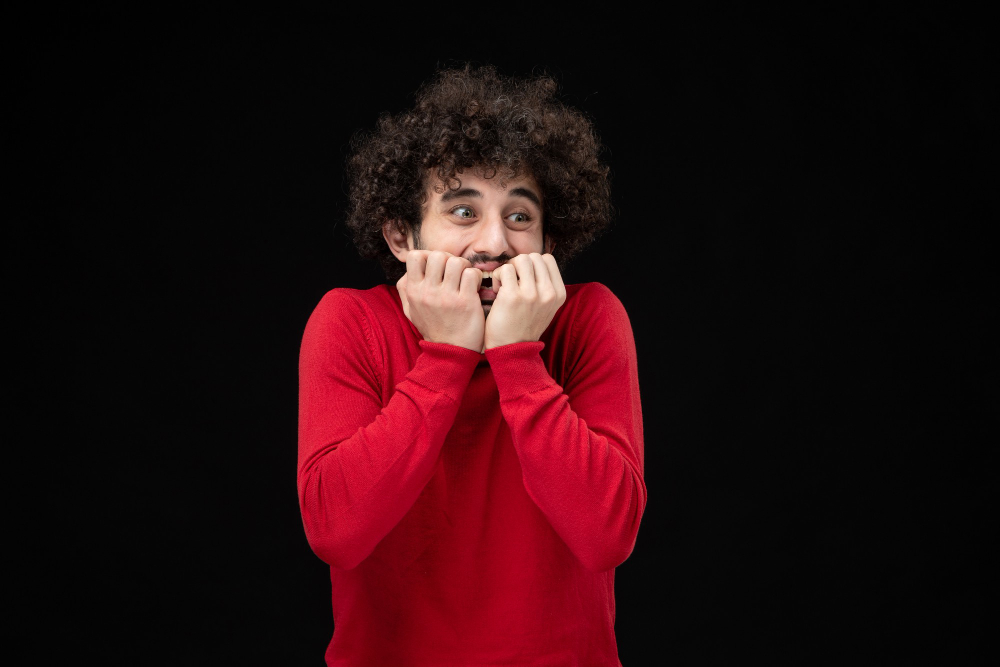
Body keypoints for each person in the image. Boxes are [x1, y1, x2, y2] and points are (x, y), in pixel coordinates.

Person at [298, 64, 646, 666]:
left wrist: (517, 358)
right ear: (403, 237)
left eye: (518, 217)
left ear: (546, 244)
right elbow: (335, 532)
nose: (492, 244)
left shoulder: (590, 319)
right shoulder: (348, 322)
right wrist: (446, 356)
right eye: (463, 212)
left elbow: (606, 536)